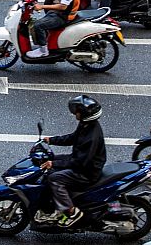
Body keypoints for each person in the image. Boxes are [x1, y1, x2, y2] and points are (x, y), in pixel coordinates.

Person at [40, 96, 106, 225]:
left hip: (86, 172)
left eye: (77, 111)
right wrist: (52, 140)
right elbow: (73, 138)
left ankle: (71, 211)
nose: (75, 113)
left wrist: (54, 164)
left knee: (55, 178)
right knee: (52, 159)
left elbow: (79, 163)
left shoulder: (91, 137)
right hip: (81, 162)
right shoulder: (87, 125)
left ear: (84, 114)